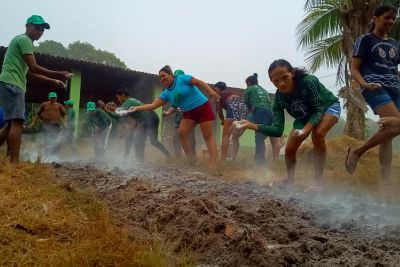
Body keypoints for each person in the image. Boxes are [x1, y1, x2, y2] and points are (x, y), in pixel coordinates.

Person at [238, 59, 341, 184]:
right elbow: (277, 130)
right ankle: (290, 180)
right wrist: (251, 125)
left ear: (292, 73)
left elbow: (318, 110)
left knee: (318, 134)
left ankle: (318, 180)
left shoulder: (309, 81)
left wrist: (306, 129)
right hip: (304, 117)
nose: (281, 83)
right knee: (289, 149)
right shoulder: (278, 100)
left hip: (327, 107)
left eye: (284, 77)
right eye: (276, 81)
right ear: (271, 81)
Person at [0, 15, 72, 163]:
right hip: (13, 84)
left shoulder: (22, 42)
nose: (40, 32)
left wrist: (53, 81)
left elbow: (31, 74)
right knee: (17, 122)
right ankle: (14, 162)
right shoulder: (24, 40)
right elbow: (34, 67)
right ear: (27, 26)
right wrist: (60, 73)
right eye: (37, 28)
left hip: (10, 82)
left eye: (42, 30)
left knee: (11, 123)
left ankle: (13, 159)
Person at [346, 4, 400, 179]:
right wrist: (365, 84)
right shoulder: (366, 40)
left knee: (389, 134)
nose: (391, 21)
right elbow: (354, 69)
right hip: (375, 88)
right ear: (375, 18)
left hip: (395, 89)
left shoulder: (394, 44)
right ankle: (357, 152)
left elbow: (393, 68)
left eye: (393, 18)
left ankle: (384, 183)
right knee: (397, 125)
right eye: (387, 17)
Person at [128, 65, 221, 167]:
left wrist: (211, 92)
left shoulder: (182, 78)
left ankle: (214, 162)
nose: (162, 78)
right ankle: (191, 161)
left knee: (207, 135)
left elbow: (199, 82)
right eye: (160, 77)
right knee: (182, 133)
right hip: (189, 112)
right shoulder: (166, 93)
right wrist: (137, 108)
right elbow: (153, 105)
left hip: (202, 106)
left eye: (163, 75)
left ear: (171, 75)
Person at [99, 88, 171, 162]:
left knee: (140, 139)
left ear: (123, 95)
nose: (117, 100)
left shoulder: (127, 102)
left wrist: (105, 109)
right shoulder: (130, 101)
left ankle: (140, 160)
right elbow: (122, 113)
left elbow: (118, 115)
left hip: (148, 118)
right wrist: (115, 109)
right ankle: (165, 156)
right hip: (152, 116)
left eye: (118, 97)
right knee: (150, 141)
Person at [244, 73, 280, 164]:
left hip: (260, 111)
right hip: (270, 113)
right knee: (269, 136)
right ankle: (272, 161)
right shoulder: (264, 90)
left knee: (259, 137)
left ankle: (260, 162)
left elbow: (247, 105)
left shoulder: (249, 89)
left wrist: (248, 115)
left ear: (248, 82)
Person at [214, 81, 247, 162]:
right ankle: (233, 160)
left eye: (215, 89)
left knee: (225, 135)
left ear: (219, 88)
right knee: (235, 137)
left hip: (233, 106)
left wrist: (222, 120)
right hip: (244, 109)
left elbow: (219, 111)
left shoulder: (219, 95)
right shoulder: (230, 93)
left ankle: (222, 160)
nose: (214, 91)